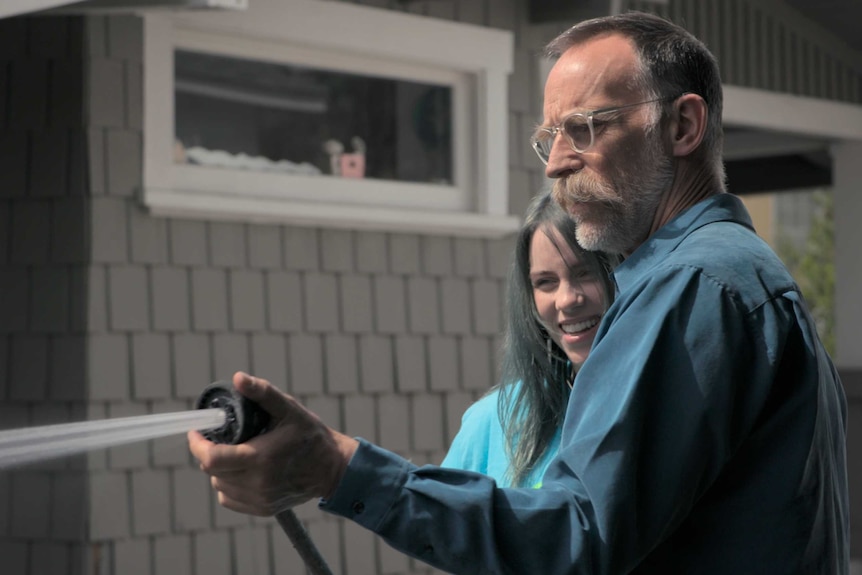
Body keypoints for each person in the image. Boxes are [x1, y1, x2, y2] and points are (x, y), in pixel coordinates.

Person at [189, 11, 849, 574]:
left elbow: (575, 536)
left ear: (681, 127)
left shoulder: (693, 284)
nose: (558, 160)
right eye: (549, 138)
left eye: (585, 128)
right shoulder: (740, 273)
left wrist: (339, 468)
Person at [441, 191, 617, 488]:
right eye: (545, 282)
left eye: (585, 273)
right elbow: (441, 529)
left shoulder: (663, 405)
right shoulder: (490, 422)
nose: (567, 299)